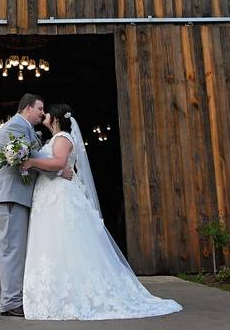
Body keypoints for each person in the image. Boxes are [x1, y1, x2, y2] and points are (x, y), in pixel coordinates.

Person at [20, 104, 182, 320]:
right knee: (52, 240)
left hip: (60, 197)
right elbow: (56, 165)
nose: (45, 115)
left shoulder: (62, 138)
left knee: (63, 239)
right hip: (50, 195)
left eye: (48, 112)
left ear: (56, 118)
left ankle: (70, 294)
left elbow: (58, 162)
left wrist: (31, 161)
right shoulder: (54, 139)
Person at [0, 93, 74, 317]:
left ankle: (15, 298)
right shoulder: (15, 127)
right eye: (40, 108)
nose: (43, 113)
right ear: (27, 108)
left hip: (16, 198)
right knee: (11, 251)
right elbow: (29, 157)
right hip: (8, 198)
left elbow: (32, 156)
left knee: (16, 250)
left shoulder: (25, 129)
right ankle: (11, 302)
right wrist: (58, 168)